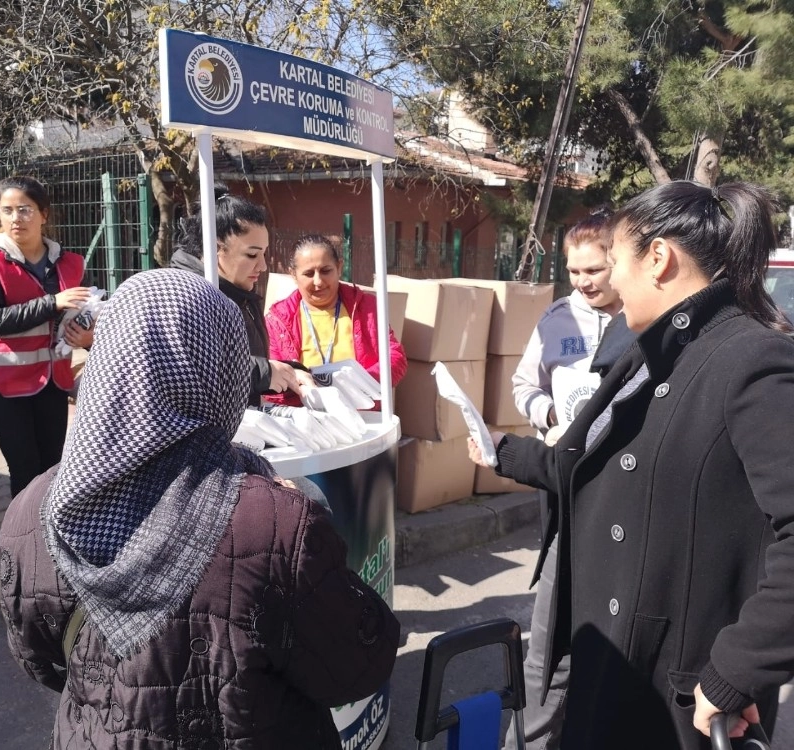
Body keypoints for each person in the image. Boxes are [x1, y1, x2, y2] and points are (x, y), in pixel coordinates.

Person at [0, 269, 400, 748]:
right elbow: (357, 664)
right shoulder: (276, 521)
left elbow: (40, 659)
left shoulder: (33, 511)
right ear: (222, 374)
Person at [469, 180, 794, 749]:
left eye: (616, 260)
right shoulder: (647, 353)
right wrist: (504, 451)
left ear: (659, 259)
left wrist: (738, 670)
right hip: (608, 663)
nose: (611, 280)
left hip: (679, 697)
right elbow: (590, 464)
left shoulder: (752, 359)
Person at [506, 210, 626, 750]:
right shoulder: (556, 319)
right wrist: (549, 418)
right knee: (551, 631)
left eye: (594, 270)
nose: (584, 282)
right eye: (574, 272)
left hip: (623, 492)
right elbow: (523, 384)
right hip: (565, 487)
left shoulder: (645, 318)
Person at [0, 175, 92, 498]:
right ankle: (22, 543)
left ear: (43, 214)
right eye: (7, 210)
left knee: (53, 467)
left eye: (25, 210)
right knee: (24, 470)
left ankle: (49, 539)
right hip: (3, 383)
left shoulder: (69, 263)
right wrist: (52, 303)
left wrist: (86, 335)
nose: (15, 219)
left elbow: (80, 313)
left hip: (51, 382)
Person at [170, 190, 310, 406]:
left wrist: (290, 371)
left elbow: (237, 364)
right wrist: (266, 372)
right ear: (216, 249)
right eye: (252, 255)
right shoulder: (184, 297)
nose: (262, 266)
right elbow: (198, 370)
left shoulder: (238, 292)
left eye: (264, 253)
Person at [265, 233, 407, 406]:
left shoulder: (366, 308)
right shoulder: (277, 320)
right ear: (293, 275)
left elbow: (395, 358)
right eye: (308, 274)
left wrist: (360, 384)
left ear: (339, 268)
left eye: (326, 271)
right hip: (305, 419)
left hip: (362, 414)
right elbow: (271, 380)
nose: (318, 282)